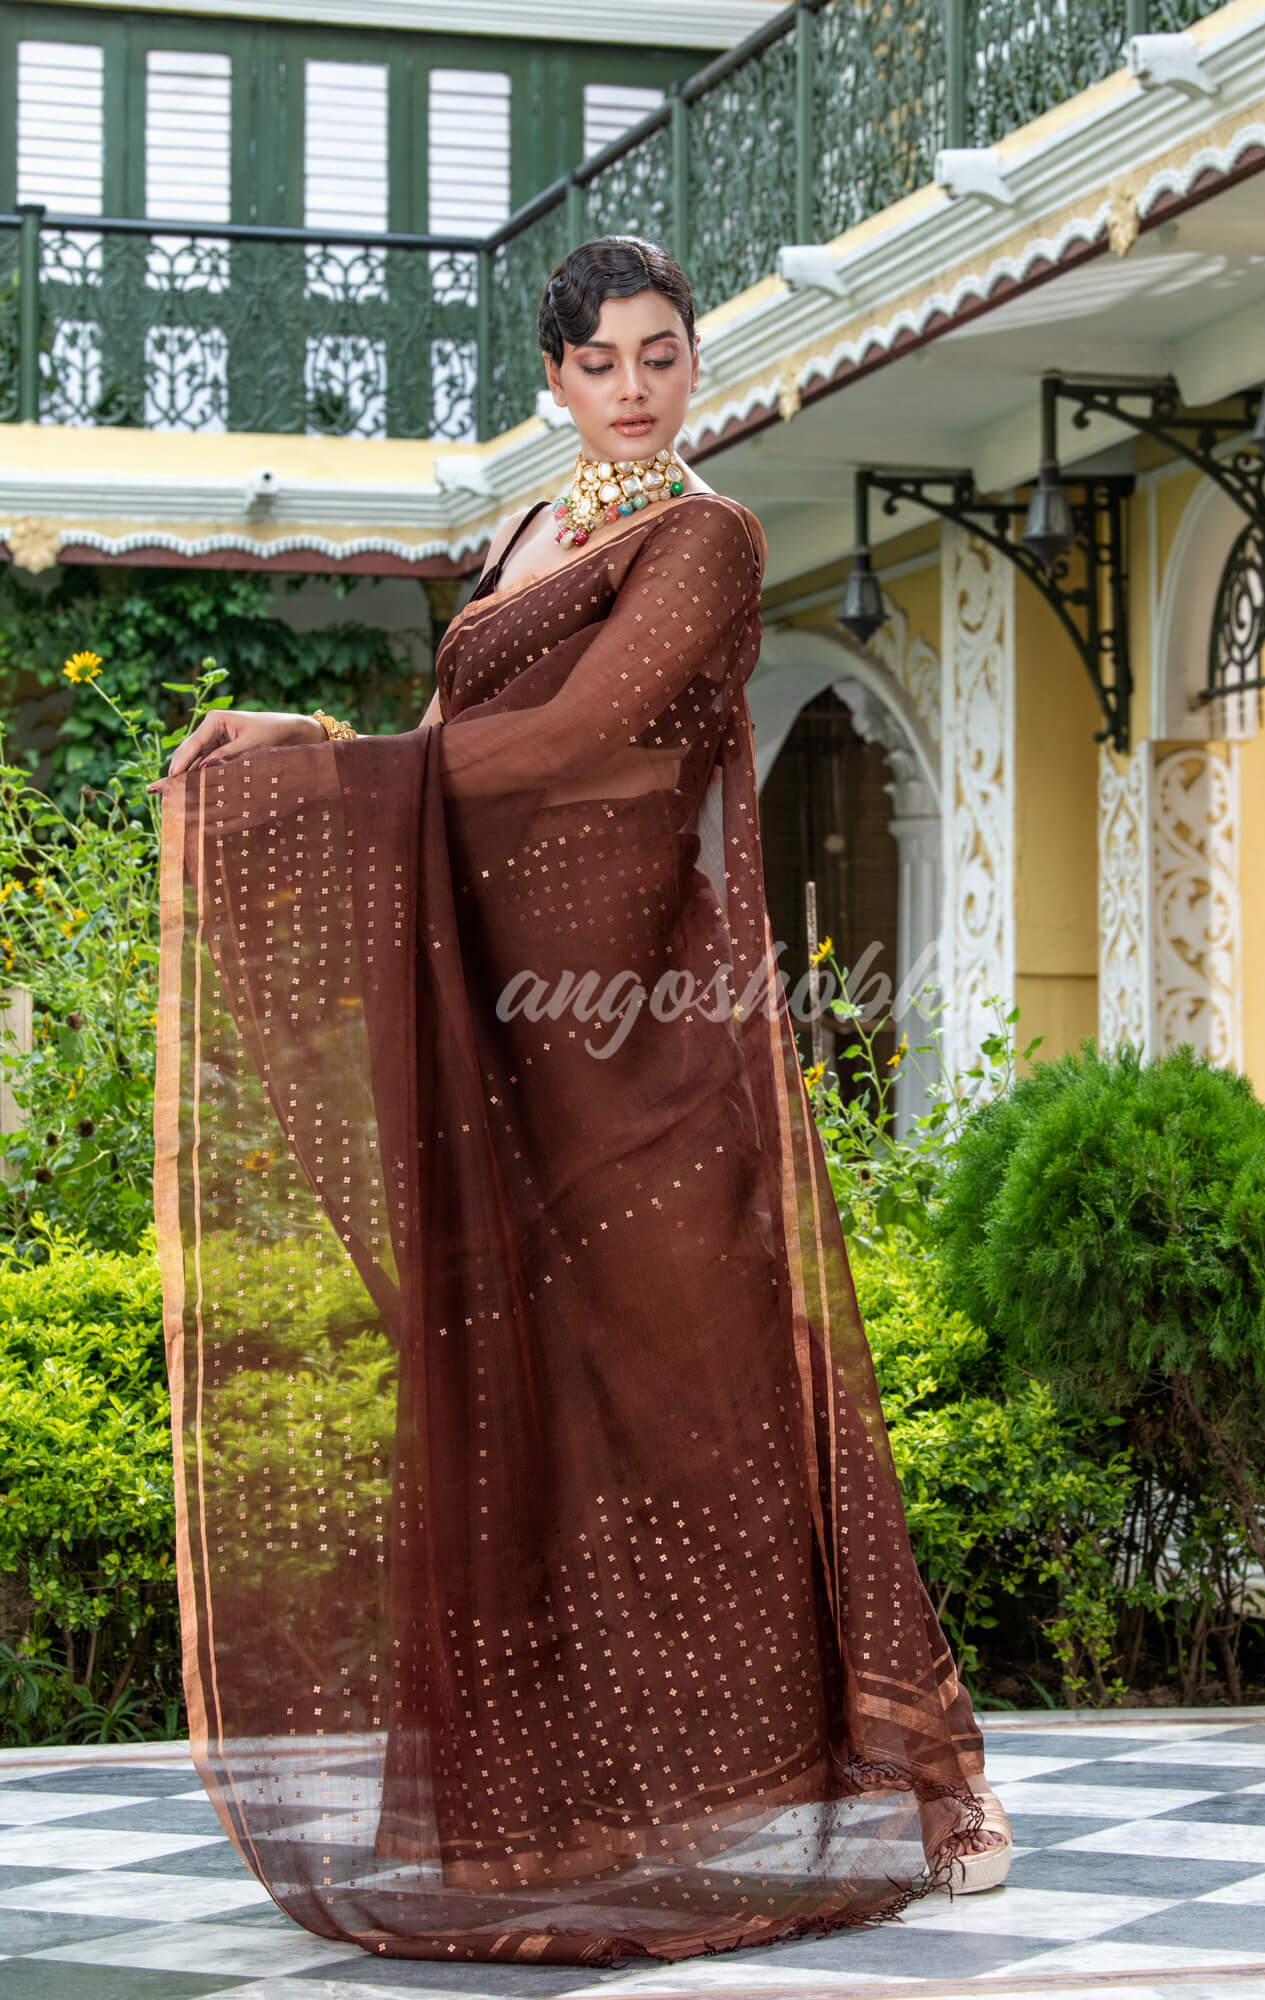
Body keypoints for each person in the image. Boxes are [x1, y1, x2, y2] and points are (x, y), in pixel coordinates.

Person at [149, 235, 1010, 1970]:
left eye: (664, 356)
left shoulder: (708, 536)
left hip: (643, 1049)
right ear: (552, 379)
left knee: (731, 1409)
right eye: (603, 362)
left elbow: (589, 740)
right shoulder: (526, 543)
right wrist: (311, 736)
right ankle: (585, 1797)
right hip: (505, 1057)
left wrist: (323, 775)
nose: (635, 388)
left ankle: (933, 1778)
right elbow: (454, 746)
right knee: (531, 1418)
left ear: (701, 368)